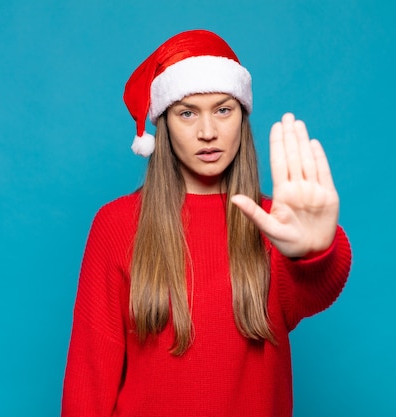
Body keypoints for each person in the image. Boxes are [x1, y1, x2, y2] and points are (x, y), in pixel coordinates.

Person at [61, 29, 352, 417]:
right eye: (187, 113)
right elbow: (89, 380)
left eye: (223, 109)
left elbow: (313, 289)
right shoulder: (116, 224)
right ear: (163, 124)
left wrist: (314, 253)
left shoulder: (274, 224)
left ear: (242, 117)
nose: (208, 132)